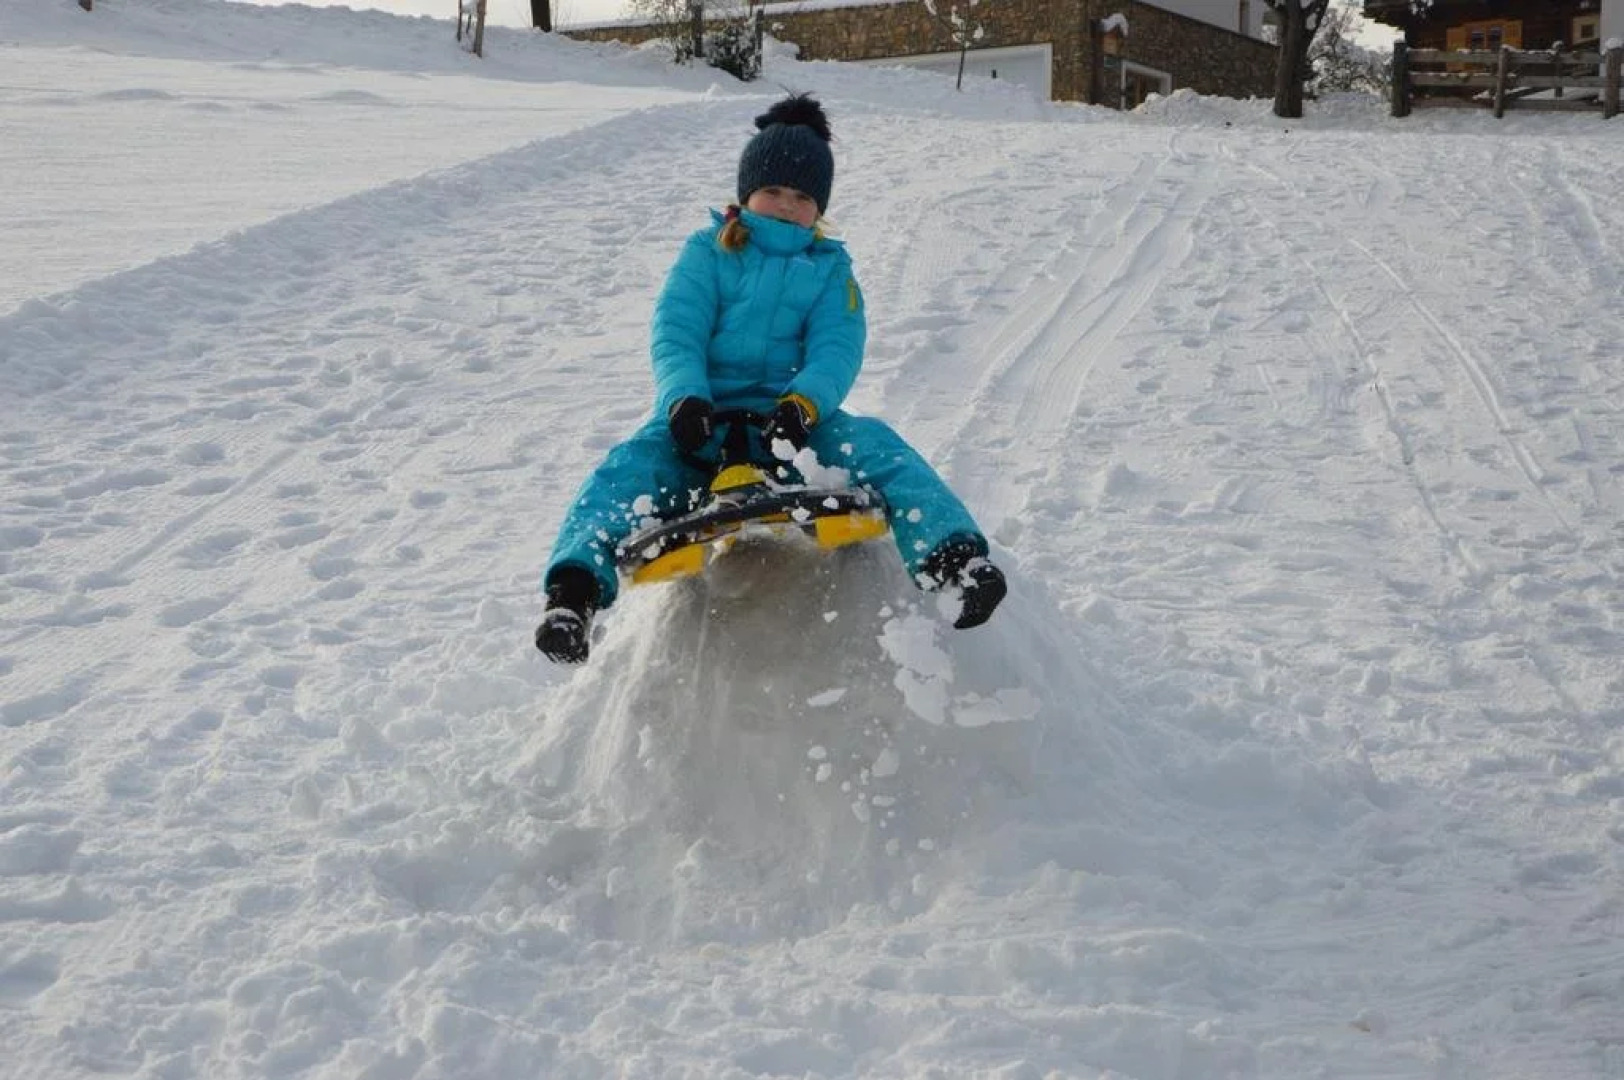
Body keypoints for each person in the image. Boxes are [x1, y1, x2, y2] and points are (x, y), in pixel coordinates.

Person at [535, 94, 1006, 664]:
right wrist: (684, 399)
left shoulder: (830, 269)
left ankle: (955, 562)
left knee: (880, 449)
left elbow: (837, 347)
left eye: (804, 197)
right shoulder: (708, 252)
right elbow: (677, 332)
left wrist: (804, 405)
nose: (787, 205)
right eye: (775, 190)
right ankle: (573, 597)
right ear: (746, 191)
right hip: (699, 425)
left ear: (820, 207)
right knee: (627, 473)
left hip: (791, 428)